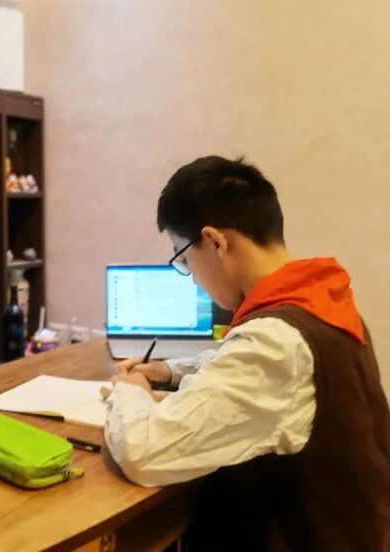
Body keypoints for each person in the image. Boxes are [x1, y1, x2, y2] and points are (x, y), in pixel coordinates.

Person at [102, 156, 390, 550]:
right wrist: (167, 372)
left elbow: (143, 452)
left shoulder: (275, 344)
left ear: (215, 242)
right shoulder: (320, 302)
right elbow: (239, 365)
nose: (193, 278)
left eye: (184, 259)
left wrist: (130, 388)